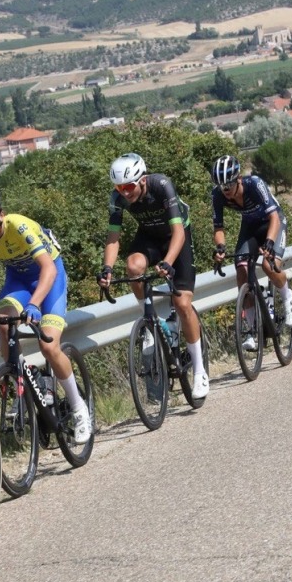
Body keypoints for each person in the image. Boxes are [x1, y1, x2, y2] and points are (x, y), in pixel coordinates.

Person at [0, 184, 92, 444]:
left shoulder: (19, 226)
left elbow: (49, 270)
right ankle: (24, 378)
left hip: (49, 277)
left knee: (49, 346)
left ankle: (79, 408)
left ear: (0, 215)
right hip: (18, 281)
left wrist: (34, 304)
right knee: (3, 322)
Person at [97, 153, 209, 400]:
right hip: (148, 236)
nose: (124, 193)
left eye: (129, 187)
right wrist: (107, 268)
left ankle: (200, 371)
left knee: (182, 303)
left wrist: (168, 262)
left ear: (143, 180)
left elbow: (178, 231)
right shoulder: (117, 197)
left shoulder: (161, 185)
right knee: (133, 267)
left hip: (176, 236)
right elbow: (113, 237)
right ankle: (150, 321)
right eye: (119, 187)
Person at [210, 155, 292, 352]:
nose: (225, 190)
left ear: (239, 179)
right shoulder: (217, 195)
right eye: (221, 186)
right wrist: (220, 247)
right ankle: (251, 330)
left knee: (268, 265)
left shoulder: (254, 184)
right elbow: (218, 228)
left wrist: (269, 242)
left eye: (228, 185)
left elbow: (274, 217)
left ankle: (287, 297)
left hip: (273, 223)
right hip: (250, 227)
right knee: (241, 269)